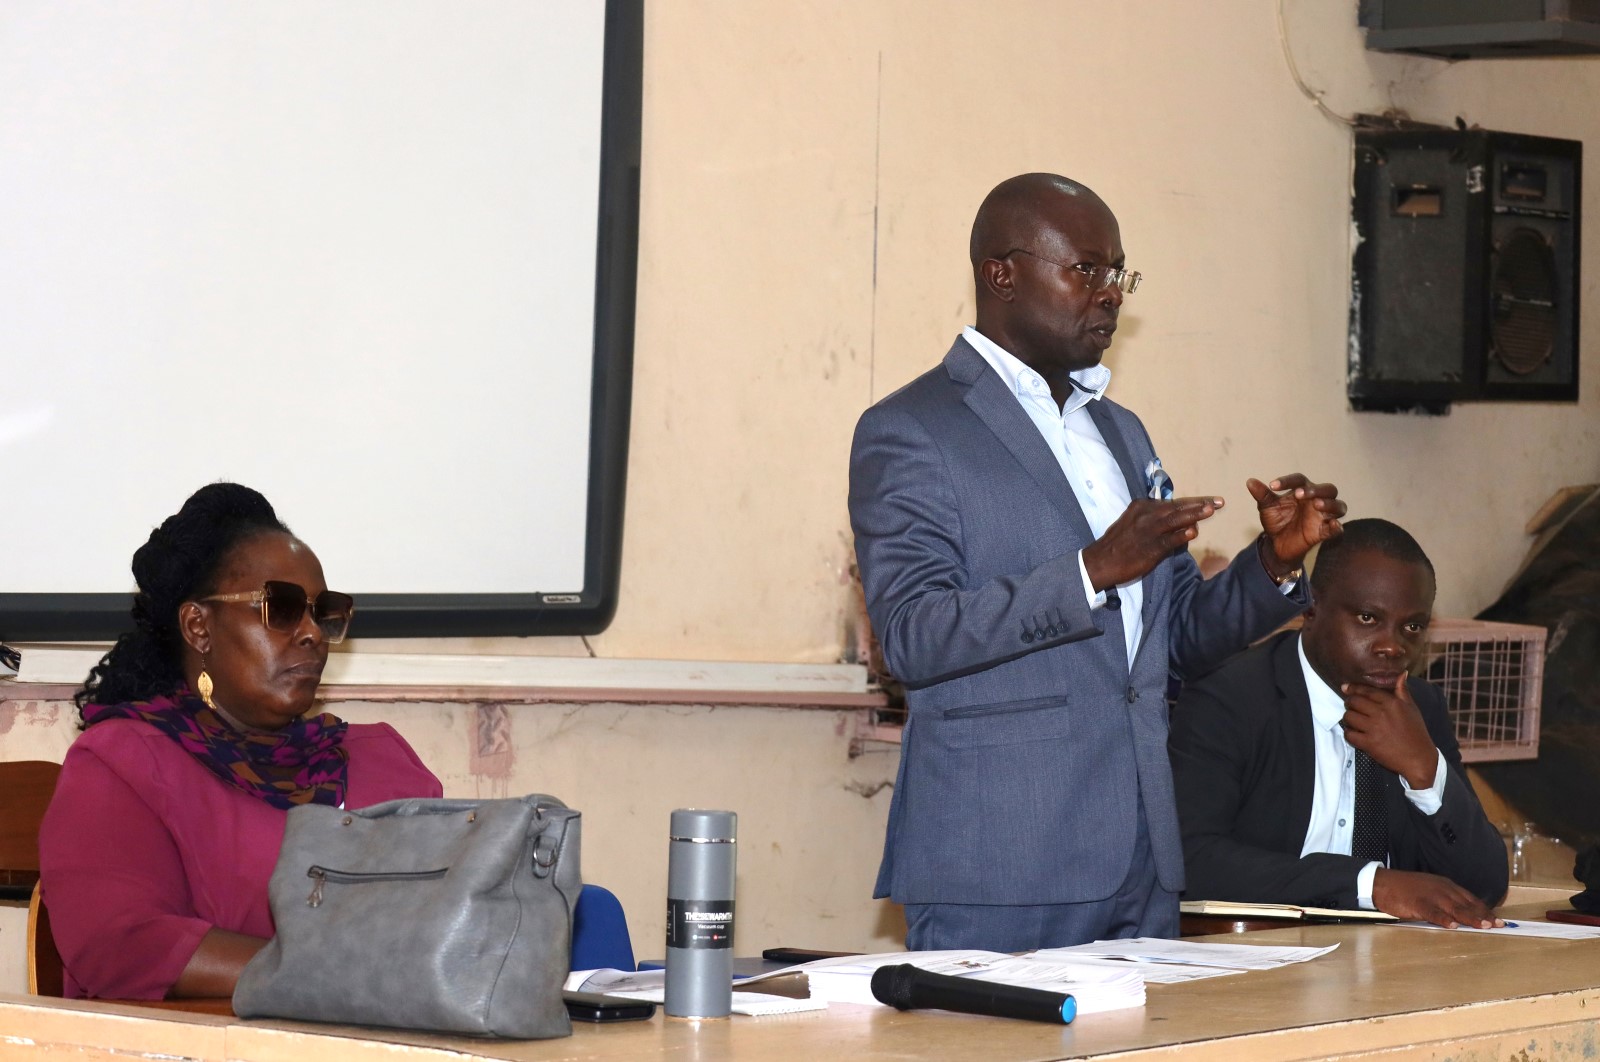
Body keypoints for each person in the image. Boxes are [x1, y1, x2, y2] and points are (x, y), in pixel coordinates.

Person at [848, 172, 1347, 952]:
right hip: (1001, 864)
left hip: (1144, 858)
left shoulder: (1121, 433)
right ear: (1001, 274)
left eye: (1119, 273)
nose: (1112, 294)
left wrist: (1272, 565)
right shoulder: (913, 430)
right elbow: (914, 635)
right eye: (1087, 270)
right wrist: (1089, 570)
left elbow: (1176, 637)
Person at [39, 483, 442, 999]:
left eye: (323, 612)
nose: (312, 633)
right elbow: (123, 946)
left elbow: (451, 915)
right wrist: (347, 977)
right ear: (198, 627)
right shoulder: (125, 763)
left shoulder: (381, 761)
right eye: (282, 607)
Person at [1169, 519, 1508, 926]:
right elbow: (1191, 860)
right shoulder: (1232, 697)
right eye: (1368, 618)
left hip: (1386, 966)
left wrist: (1424, 769)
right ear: (1311, 606)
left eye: (1412, 627)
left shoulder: (1419, 708)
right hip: (1259, 958)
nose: (1392, 646)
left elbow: (1485, 886)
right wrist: (1372, 884)